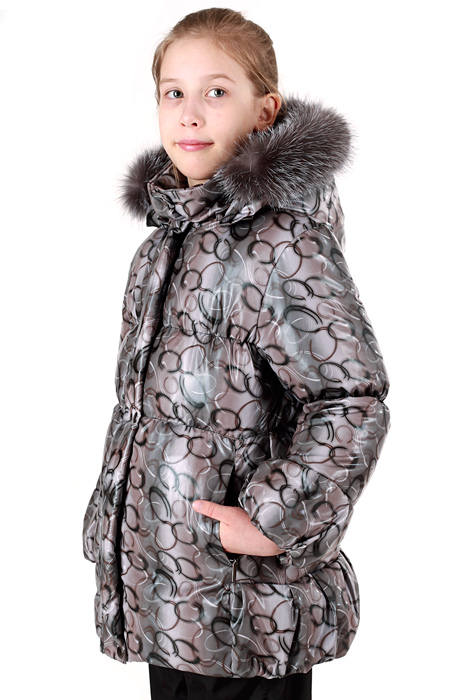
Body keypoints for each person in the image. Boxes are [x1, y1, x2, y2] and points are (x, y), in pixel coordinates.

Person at [82, 8, 390, 700]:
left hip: (244, 604)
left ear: (264, 111)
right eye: (173, 92)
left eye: (216, 92)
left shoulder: (282, 244)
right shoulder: (162, 247)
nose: (190, 113)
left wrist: (276, 520)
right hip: (171, 594)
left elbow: (351, 399)